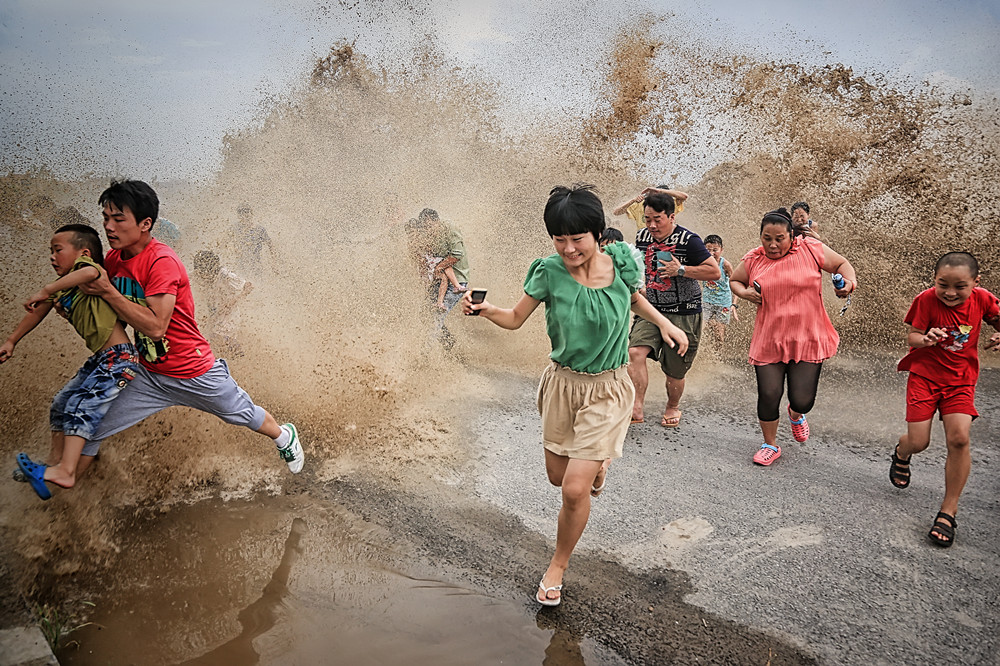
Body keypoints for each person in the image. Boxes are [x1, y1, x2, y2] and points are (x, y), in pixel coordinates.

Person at [461, 184, 688, 607]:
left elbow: (635, 299)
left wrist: (668, 325)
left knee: (572, 490)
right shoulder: (548, 272)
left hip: (608, 388)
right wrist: (486, 310)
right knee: (557, 477)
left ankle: (557, 566)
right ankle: (595, 461)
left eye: (577, 238)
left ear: (598, 234)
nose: (568, 248)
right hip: (563, 385)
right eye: (559, 239)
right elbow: (514, 318)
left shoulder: (621, 262)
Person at [65, 181, 304, 482]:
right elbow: (111, 318)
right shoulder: (112, 261)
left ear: (145, 224)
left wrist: (106, 292)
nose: (108, 227)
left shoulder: (162, 261)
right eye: (105, 218)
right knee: (92, 426)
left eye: (118, 219)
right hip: (148, 373)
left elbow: (155, 327)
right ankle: (63, 489)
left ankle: (285, 436)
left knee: (244, 414)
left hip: (192, 369)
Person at [2, 224, 139, 499]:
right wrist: (12, 340)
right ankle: (53, 462)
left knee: (79, 405)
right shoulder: (64, 289)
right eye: (50, 251)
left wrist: (46, 288)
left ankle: (66, 470)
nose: (52, 257)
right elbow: (38, 311)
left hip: (120, 358)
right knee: (61, 403)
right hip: (101, 359)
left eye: (58, 250)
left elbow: (90, 271)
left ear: (83, 252)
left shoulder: (89, 273)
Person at [729, 208, 856, 466]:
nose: (773, 245)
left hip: (808, 336)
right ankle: (770, 444)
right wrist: (743, 294)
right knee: (768, 394)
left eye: (779, 239)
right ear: (761, 237)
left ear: (792, 237)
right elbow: (735, 280)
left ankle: (796, 414)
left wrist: (847, 285)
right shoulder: (754, 259)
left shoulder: (810, 249)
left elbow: (842, 265)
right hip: (770, 338)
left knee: (802, 399)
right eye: (767, 239)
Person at [889, 252, 1000, 547]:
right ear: (934, 281)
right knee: (919, 441)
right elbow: (912, 335)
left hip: (961, 380)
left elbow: (998, 320)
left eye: (960, 286)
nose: (950, 293)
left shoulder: (983, 300)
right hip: (924, 376)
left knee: (960, 439)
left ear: (976, 283)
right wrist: (924, 339)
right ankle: (902, 452)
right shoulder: (926, 300)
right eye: (943, 284)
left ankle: (948, 511)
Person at [628, 192, 720, 427]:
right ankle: (636, 405)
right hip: (652, 309)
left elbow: (714, 272)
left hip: (684, 312)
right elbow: (638, 268)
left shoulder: (690, 240)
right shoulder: (642, 237)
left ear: (671, 216)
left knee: (675, 373)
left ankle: (672, 406)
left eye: (657, 219)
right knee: (635, 353)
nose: (652, 225)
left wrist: (681, 270)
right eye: (648, 219)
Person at [416, 208, 470, 348]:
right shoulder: (428, 234)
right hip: (440, 280)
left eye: (429, 226)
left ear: (437, 222)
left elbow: (457, 255)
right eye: (425, 227)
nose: (428, 230)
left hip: (456, 279)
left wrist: (439, 267)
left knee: (436, 316)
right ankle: (448, 343)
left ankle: (425, 353)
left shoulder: (450, 230)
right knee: (424, 314)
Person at [192, 250, 253, 357]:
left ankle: (243, 358)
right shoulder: (198, 274)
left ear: (213, 269)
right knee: (210, 342)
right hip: (214, 313)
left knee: (220, 338)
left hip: (229, 313)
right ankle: (231, 361)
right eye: (200, 272)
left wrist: (233, 301)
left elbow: (248, 286)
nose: (202, 276)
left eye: (205, 273)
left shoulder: (226, 275)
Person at [702, 234, 739, 344]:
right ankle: (701, 355)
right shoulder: (702, 263)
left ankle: (715, 358)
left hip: (723, 303)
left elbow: (735, 283)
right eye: (708, 250)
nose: (711, 253)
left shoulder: (725, 265)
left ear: (721, 250)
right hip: (706, 301)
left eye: (715, 250)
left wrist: (734, 304)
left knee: (719, 337)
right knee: (701, 329)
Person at [613, 185, 688, 231]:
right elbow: (616, 212)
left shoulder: (669, 205)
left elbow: (684, 196)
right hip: (645, 242)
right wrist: (633, 200)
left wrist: (661, 191)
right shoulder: (640, 205)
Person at [232, 203, 273, 274]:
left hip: (256, 266)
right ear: (239, 215)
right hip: (240, 267)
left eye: (247, 212)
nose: (245, 215)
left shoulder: (259, 229)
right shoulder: (234, 229)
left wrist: (274, 262)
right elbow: (223, 243)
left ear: (251, 213)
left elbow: (270, 245)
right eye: (242, 212)